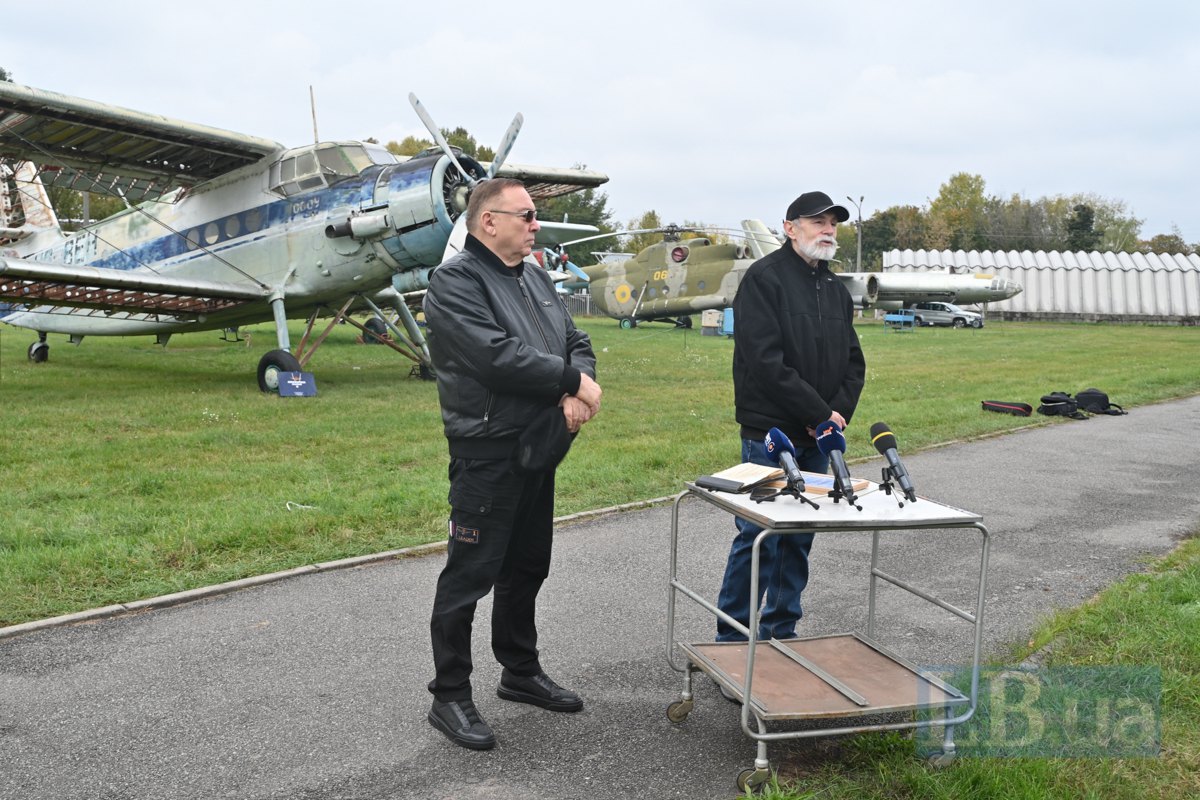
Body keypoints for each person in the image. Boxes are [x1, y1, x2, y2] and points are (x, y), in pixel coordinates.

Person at [422, 178, 602, 750]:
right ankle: (449, 695)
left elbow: (575, 337)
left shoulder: (534, 276)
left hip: (539, 444)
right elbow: (495, 357)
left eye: (534, 216)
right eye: (526, 214)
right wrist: (572, 382)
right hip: (487, 452)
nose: (536, 224)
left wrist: (576, 387)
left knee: (527, 567)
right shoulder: (453, 284)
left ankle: (519, 672)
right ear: (487, 220)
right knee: (468, 577)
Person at [715, 191, 866, 649]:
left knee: (800, 534)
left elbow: (854, 361)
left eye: (833, 224)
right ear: (789, 227)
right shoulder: (764, 280)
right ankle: (733, 641)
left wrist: (833, 418)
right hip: (770, 432)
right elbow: (765, 360)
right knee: (759, 537)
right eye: (817, 222)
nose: (827, 230)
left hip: (818, 436)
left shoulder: (835, 288)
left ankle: (781, 631)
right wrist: (818, 413)